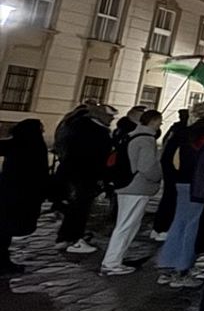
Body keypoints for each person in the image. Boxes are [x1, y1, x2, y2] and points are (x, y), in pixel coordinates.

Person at [156, 99, 204, 288]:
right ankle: (182, 270)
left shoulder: (186, 131)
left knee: (178, 223)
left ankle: (166, 265)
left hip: (181, 180)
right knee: (192, 226)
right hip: (198, 184)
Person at [100, 110, 164, 275]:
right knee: (126, 225)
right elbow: (147, 167)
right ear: (154, 121)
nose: (161, 125)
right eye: (160, 122)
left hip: (126, 185)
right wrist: (158, 176)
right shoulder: (146, 139)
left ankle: (115, 260)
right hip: (137, 186)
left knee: (126, 224)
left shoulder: (132, 135)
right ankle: (112, 262)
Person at [55, 103, 115, 253]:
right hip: (84, 174)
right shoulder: (93, 131)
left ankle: (68, 237)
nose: (112, 119)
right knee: (80, 207)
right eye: (110, 116)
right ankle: (74, 239)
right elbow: (96, 156)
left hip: (78, 172)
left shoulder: (78, 126)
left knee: (77, 206)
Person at [0, 119, 49, 276]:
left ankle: (3, 261)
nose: (43, 131)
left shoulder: (16, 143)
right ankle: (3, 263)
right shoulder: (35, 145)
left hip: (10, 192)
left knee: (4, 230)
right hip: (22, 195)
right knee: (5, 230)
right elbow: (41, 173)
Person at [151, 109, 190, 241]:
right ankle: (164, 228)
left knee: (167, 197)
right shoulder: (184, 132)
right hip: (175, 169)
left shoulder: (174, 129)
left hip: (168, 166)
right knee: (172, 199)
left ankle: (157, 227)